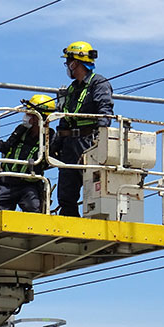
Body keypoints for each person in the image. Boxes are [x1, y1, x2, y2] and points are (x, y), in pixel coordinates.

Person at [54, 41, 114, 217]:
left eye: (68, 62)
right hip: (70, 144)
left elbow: (105, 113)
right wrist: (56, 144)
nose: (67, 67)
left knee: (92, 187)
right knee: (66, 192)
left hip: (88, 142)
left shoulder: (99, 83)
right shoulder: (72, 89)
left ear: (75, 63)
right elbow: (65, 118)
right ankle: (69, 222)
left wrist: (100, 142)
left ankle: (93, 220)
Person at [0, 94, 57, 213]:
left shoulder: (50, 138)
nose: (25, 116)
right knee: (0, 213)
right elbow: (6, 147)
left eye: (29, 114)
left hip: (29, 184)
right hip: (8, 183)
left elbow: (50, 160)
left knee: (34, 212)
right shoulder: (21, 130)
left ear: (38, 118)